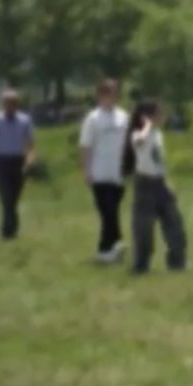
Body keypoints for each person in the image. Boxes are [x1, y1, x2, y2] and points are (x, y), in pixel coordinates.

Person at [121, 100, 188, 275]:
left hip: (159, 182)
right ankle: (141, 265)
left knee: (174, 223)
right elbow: (139, 142)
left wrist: (165, 181)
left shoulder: (158, 134)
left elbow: (158, 161)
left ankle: (177, 262)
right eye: (158, 114)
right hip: (144, 184)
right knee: (144, 229)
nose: (161, 117)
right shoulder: (137, 134)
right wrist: (147, 126)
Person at [79, 79, 129, 264]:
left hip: (118, 173)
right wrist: (86, 170)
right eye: (107, 93)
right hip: (99, 173)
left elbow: (128, 143)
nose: (111, 96)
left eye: (114, 93)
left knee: (113, 210)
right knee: (108, 211)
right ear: (100, 96)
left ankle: (107, 249)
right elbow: (85, 146)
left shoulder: (123, 117)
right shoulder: (93, 118)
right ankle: (114, 244)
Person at [0, 89, 35, 240]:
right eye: (5, 103)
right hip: (2, 161)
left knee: (14, 197)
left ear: (16, 104)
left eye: (12, 103)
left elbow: (30, 143)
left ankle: (12, 226)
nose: (8, 106)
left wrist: (30, 159)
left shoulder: (25, 120)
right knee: (6, 196)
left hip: (18, 161)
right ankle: (6, 231)